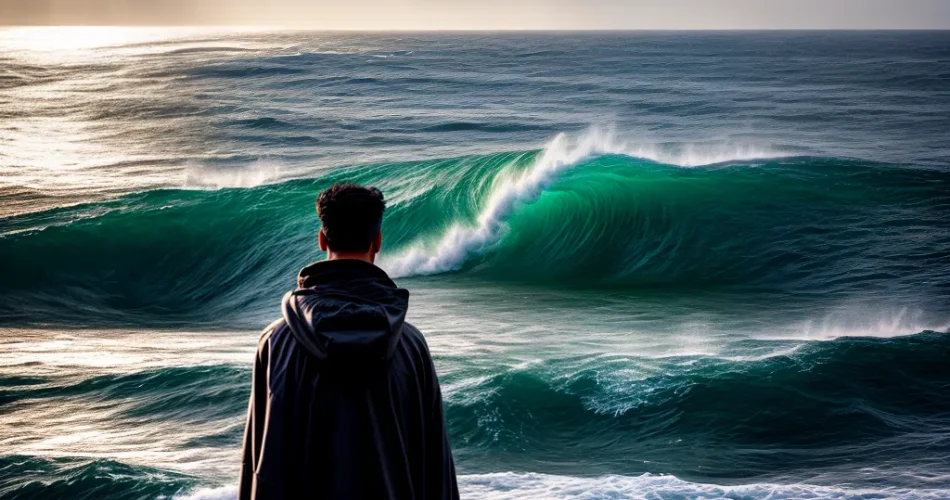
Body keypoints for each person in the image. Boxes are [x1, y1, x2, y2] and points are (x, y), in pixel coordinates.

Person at [239, 183, 459, 500]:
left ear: (322, 240)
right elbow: (435, 471)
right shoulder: (410, 346)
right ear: (377, 242)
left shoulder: (276, 343)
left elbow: (260, 462)